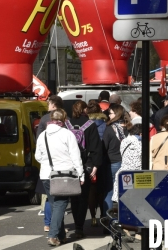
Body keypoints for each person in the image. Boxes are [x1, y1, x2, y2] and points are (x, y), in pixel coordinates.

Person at [35, 109, 84, 246]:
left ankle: (61, 236)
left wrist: (47, 162)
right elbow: (75, 156)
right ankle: (53, 235)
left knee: (56, 204)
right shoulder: (67, 134)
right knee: (61, 204)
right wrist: (81, 174)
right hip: (64, 174)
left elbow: (37, 156)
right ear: (64, 120)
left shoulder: (43, 135)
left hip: (46, 174)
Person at [67, 100, 103, 239]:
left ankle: (75, 222)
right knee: (83, 197)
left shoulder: (67, 124)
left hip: (69, 165)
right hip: (85, 164)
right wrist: (95, 165)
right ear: (85, 110)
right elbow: (95, 147)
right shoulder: (90, 125)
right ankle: (79, 227)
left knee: (73, 198)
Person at [86, 101, 108, 228]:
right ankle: (102, 215)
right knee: (102, 190)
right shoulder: (105, 125)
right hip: (103, 160)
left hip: (90, 160)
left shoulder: (86, 125)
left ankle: (93, 216)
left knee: (91, 191)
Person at [101, 103, 125, 215]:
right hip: (125, 162)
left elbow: (104, 146)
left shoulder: (110, 129)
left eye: (110, 113)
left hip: (112, 162)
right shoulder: (127, 127)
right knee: (123, 192)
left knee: (109, 191)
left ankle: (108, 219)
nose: (108, 116)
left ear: (116, 114)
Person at [111, 119, 143, 202]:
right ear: (141, 133)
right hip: (136, 175)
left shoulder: (124, 141)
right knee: (134, 199)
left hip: (124, 173)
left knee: (125, 197)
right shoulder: (140, 144)